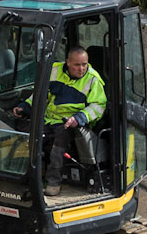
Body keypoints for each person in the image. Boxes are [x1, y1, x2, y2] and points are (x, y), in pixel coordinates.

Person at [42, 43, 105, 187]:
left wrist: (79, 118)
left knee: (59, 142)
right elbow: (39, 95)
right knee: (29, 136)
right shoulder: (54, 71)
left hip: (73, 123)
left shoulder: (93, 79)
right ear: (68, 62)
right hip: (49, 119)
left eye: (84, 64)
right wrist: (25, 107)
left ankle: (53, 183)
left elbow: (99, 106)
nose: (82, 69)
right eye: (77, 65)